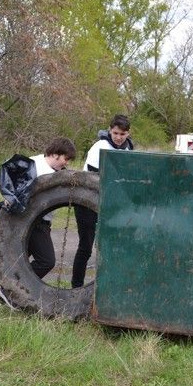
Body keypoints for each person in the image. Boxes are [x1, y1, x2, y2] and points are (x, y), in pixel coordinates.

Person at [71, 114, 133, 288]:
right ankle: (76, 287)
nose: (119, 137)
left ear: (128, 133)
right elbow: (92, 179)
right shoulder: (99, 147)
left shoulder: (128, 149)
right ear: (109, 130)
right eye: (115, 133)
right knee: (86, 247)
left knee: (112, 246)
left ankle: (109, 287)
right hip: (86, 201)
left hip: (111, 202)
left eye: (122, 134)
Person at [28, 137, 77, 278]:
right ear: (56, 154)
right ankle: (14, 287)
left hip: (43, 222)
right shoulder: (34, 165)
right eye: (65, 159)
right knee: (46, 261)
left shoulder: (58, 172)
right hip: (34, 223)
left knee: (18, 258)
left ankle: (0, 290)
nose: (67, 163)